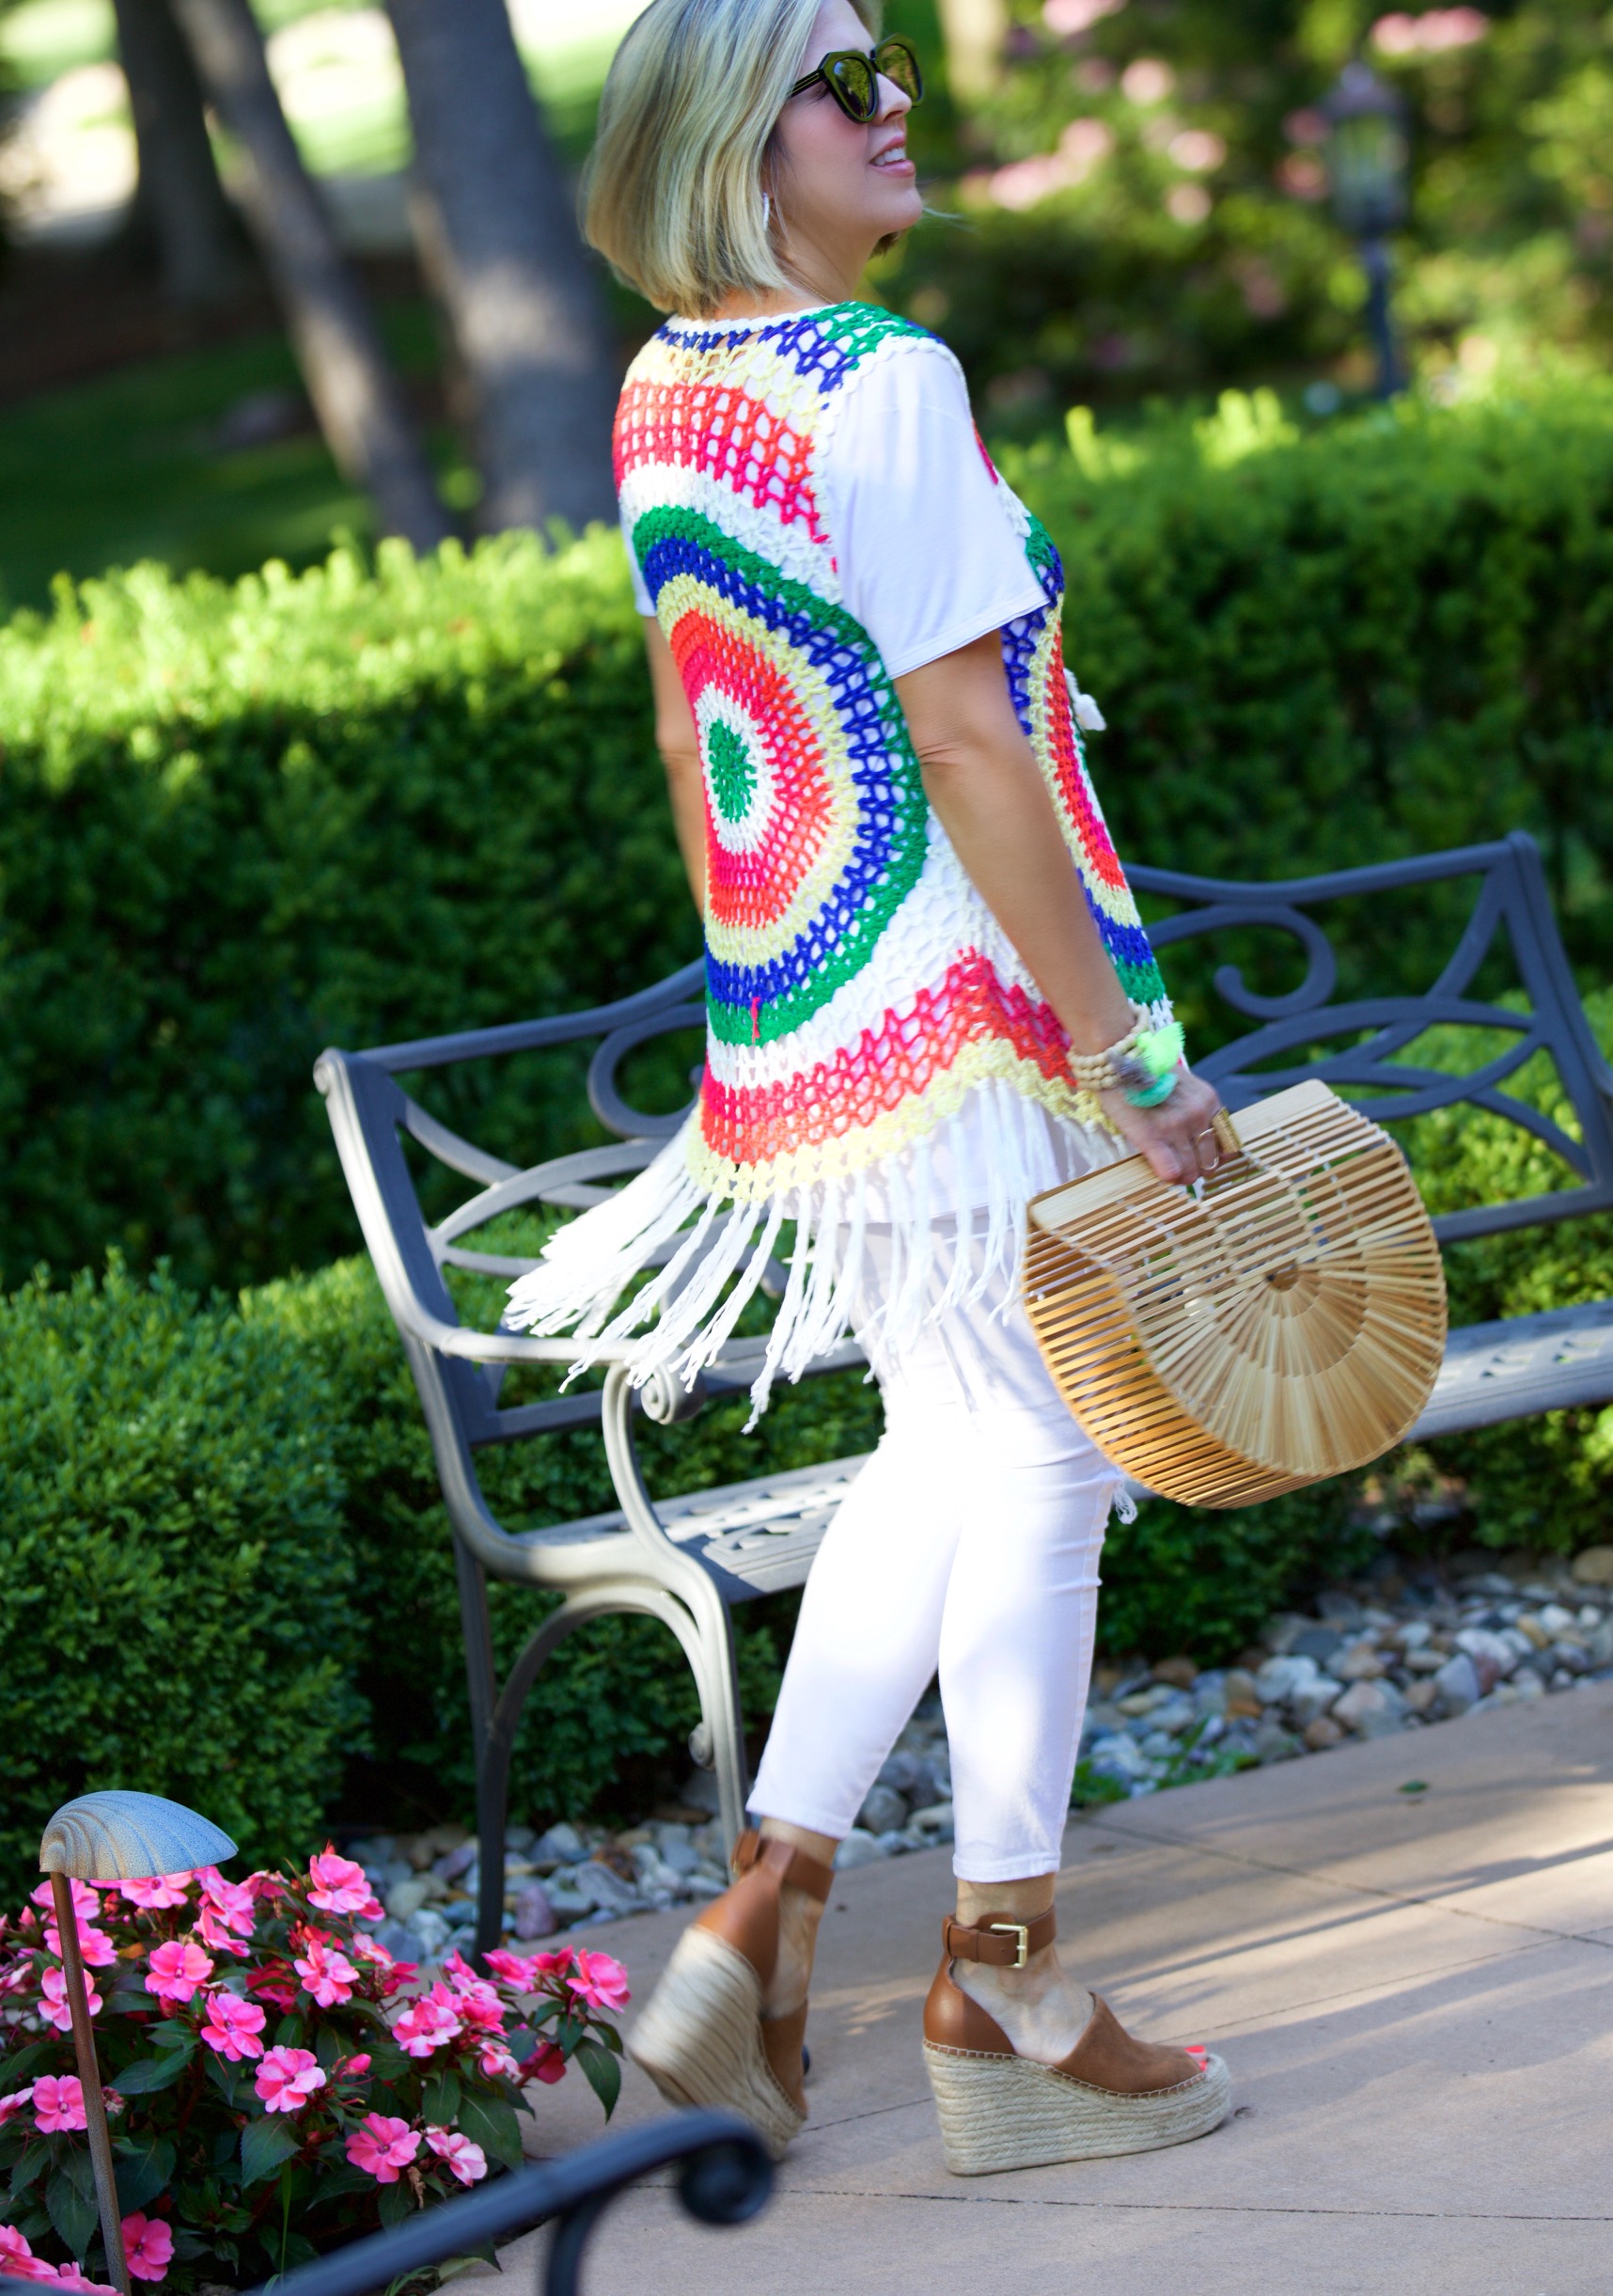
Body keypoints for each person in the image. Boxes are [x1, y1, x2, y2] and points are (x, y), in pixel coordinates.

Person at [506, 0, 1231, 2177]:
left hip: (819, 1008)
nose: (895, 101)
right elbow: (972, 742)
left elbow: (700, 734)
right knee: (1045, 1464)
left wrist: (777, 1000)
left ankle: (761, 1918)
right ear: (744, 137)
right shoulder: (879, 383)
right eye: (846, 81)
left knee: (954, 1441)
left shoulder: (670, 393)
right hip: (968, 1014)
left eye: (892, 58)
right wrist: (1130, 1056)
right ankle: (1006, 1974)